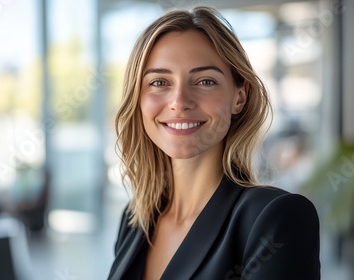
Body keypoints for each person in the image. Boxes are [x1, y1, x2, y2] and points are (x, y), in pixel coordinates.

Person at [108, 6, 320, 280]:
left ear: (239, 97)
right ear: (138, 98)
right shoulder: (134, 219)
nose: (180, 102)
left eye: (205, 81)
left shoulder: (277, 218)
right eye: (160, 82)